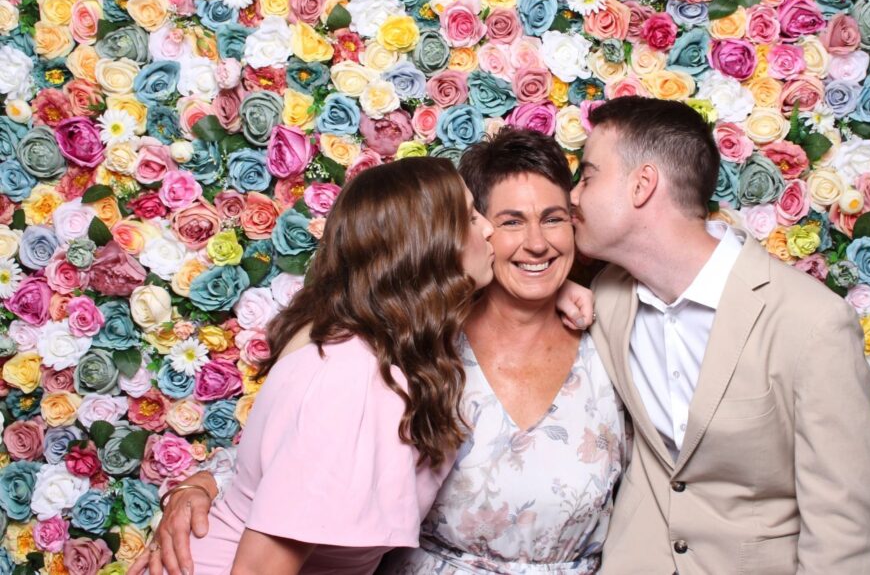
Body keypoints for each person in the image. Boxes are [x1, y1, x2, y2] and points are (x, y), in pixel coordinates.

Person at [137, 130, 625, 575]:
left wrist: (561, 290)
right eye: (482, 219)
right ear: (431, 244)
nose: (493, 235)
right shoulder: (360, 370)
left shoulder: (403, 346)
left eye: (553, 219)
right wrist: (196, 485)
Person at [573, 96, 870, 574]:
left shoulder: (810, 323)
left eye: (589, 175)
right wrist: (548, 292)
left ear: (642, 185)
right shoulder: (608, 298)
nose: (573, 196)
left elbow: (846, 530)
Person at [139, 157, 495, 575]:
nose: (487, 228)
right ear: (428, 245)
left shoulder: (363, 342)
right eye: (471, 217)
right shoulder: (355, 377)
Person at [381, 128, 627, 573]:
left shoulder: (612, 344)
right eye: (512, 221)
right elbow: (323, 441)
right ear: (477, 230)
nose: (537, 243)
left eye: (553, 218)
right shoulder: (426, 343)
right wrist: (212, 483)